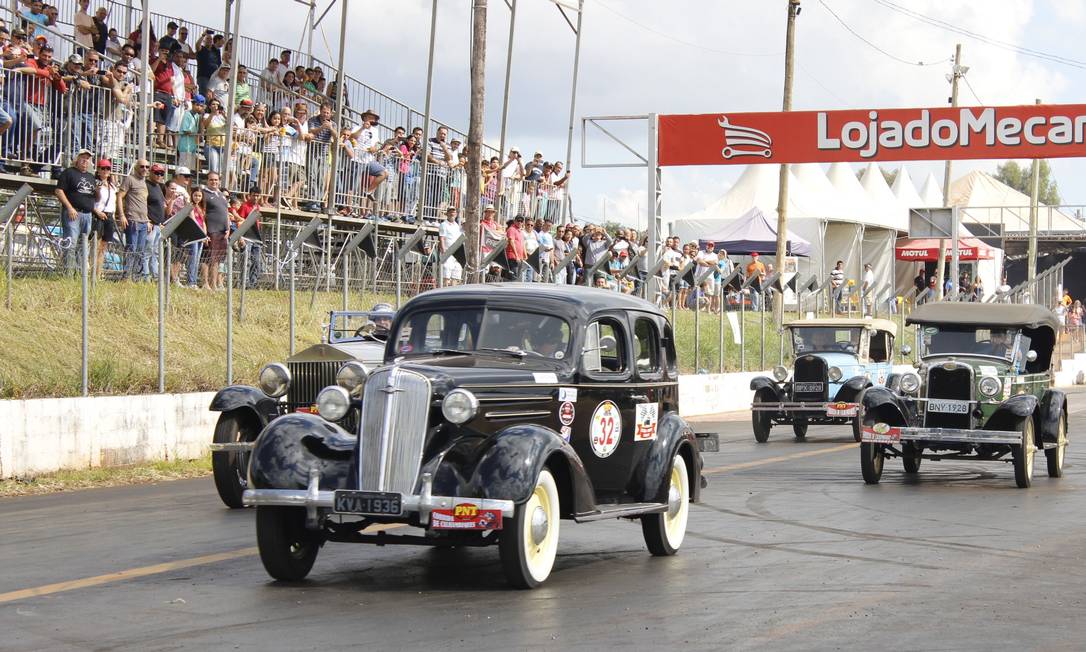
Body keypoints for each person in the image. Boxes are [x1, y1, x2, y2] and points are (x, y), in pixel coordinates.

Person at [54, 149, 97, 272]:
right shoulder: (68, 173)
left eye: (87, 158)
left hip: (87, 214)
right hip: (73, 213)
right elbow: (59, 191)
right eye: (83, 157)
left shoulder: (91, 177)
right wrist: (69, 207)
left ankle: (80, 273)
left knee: (83, 245)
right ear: (76, 159)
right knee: (71, 243)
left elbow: (92, 196)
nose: (85, 160)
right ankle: (68, 271)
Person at [117, 159, 150, 280]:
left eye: (147, 167)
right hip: (132, 219)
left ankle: (136, 277)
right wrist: (121, 215)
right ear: (136, 167)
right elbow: (120, 196)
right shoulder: (130, 179)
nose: (145, 169)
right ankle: (126, 276)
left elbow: (143, 202)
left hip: (143, 221)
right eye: (142, 166)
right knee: (131, 249)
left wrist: (147, 220)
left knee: (140, 251)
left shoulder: (144, 182)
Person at [91, 158, 117, 278]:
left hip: (109, 215)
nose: (106, 170)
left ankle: (98, 272)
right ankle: (91, 271)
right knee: (95, 244)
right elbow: (91, 200)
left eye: (108, 168)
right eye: (103, 168)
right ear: (98, 170)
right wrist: (97, 211)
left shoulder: (112, 186)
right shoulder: (95, 183)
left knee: (103, 246)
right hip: (98, 214)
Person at [203, 172, 230, 290]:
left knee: (218, 260)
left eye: (216, 180)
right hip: (212, 230)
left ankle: (215, 283)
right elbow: (202, 212)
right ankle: (206, 283)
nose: (214, 182)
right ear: (207, 181)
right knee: (208, 258)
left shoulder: (221, 195)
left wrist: (228, 228)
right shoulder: (204, 194)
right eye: (211, 180)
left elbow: (226, 212)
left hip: (223, 232)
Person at [438, 207, 463, 286]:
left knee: (456, 273)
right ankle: (444, 292)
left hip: (457, 253)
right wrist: (444, 252)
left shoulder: (457, 226)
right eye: (450, 212)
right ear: (447, 213)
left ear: (456, 214)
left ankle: (453, 293)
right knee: (446, 274)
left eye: (453, 212)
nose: (452, 213)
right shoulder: (443, 224)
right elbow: (442, 238)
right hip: (448, 252)